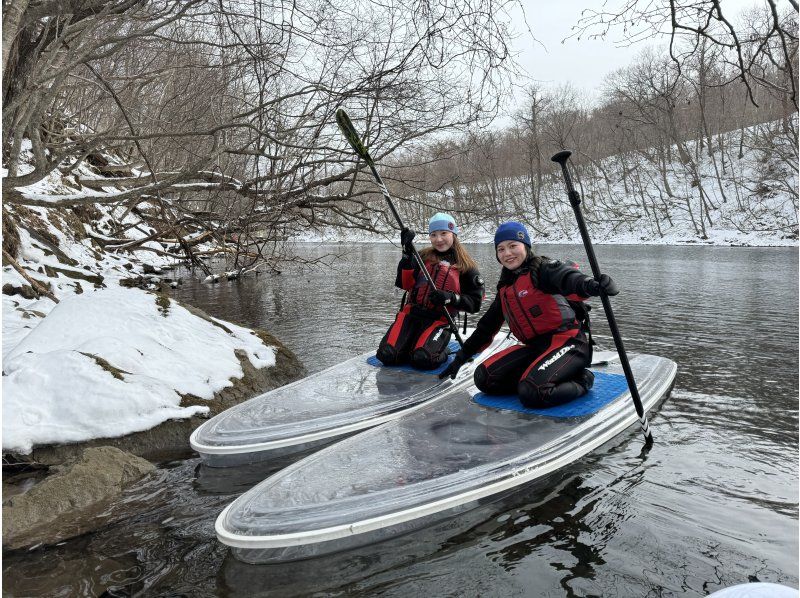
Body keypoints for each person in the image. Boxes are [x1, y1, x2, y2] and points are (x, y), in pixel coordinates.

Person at [439, 221, 619, 408]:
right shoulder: (505, 288)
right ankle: (536, 376)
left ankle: (582, 379)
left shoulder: (544, 270)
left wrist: (592, 285)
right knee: (484, 378)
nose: (507, 253)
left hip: (568, 342)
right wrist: (460, 358)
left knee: (533, 392)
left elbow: (569, 279)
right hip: (534, 348)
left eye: (512, 246)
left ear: (525, 246)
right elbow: (486, 328)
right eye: (500, 249)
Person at [376, 213, 484, 370]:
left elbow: (475, 303)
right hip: (411, 315)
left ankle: (443, 350)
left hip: (439, 320)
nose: (438, 239)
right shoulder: (421, 257)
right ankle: (408, 346)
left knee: (422, 359)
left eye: (443, 233)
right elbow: (404, 284)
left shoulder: (466, 266)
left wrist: (451, 298)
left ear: (453, 234)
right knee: (387, 355)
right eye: (433, 235)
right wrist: (406, 255)